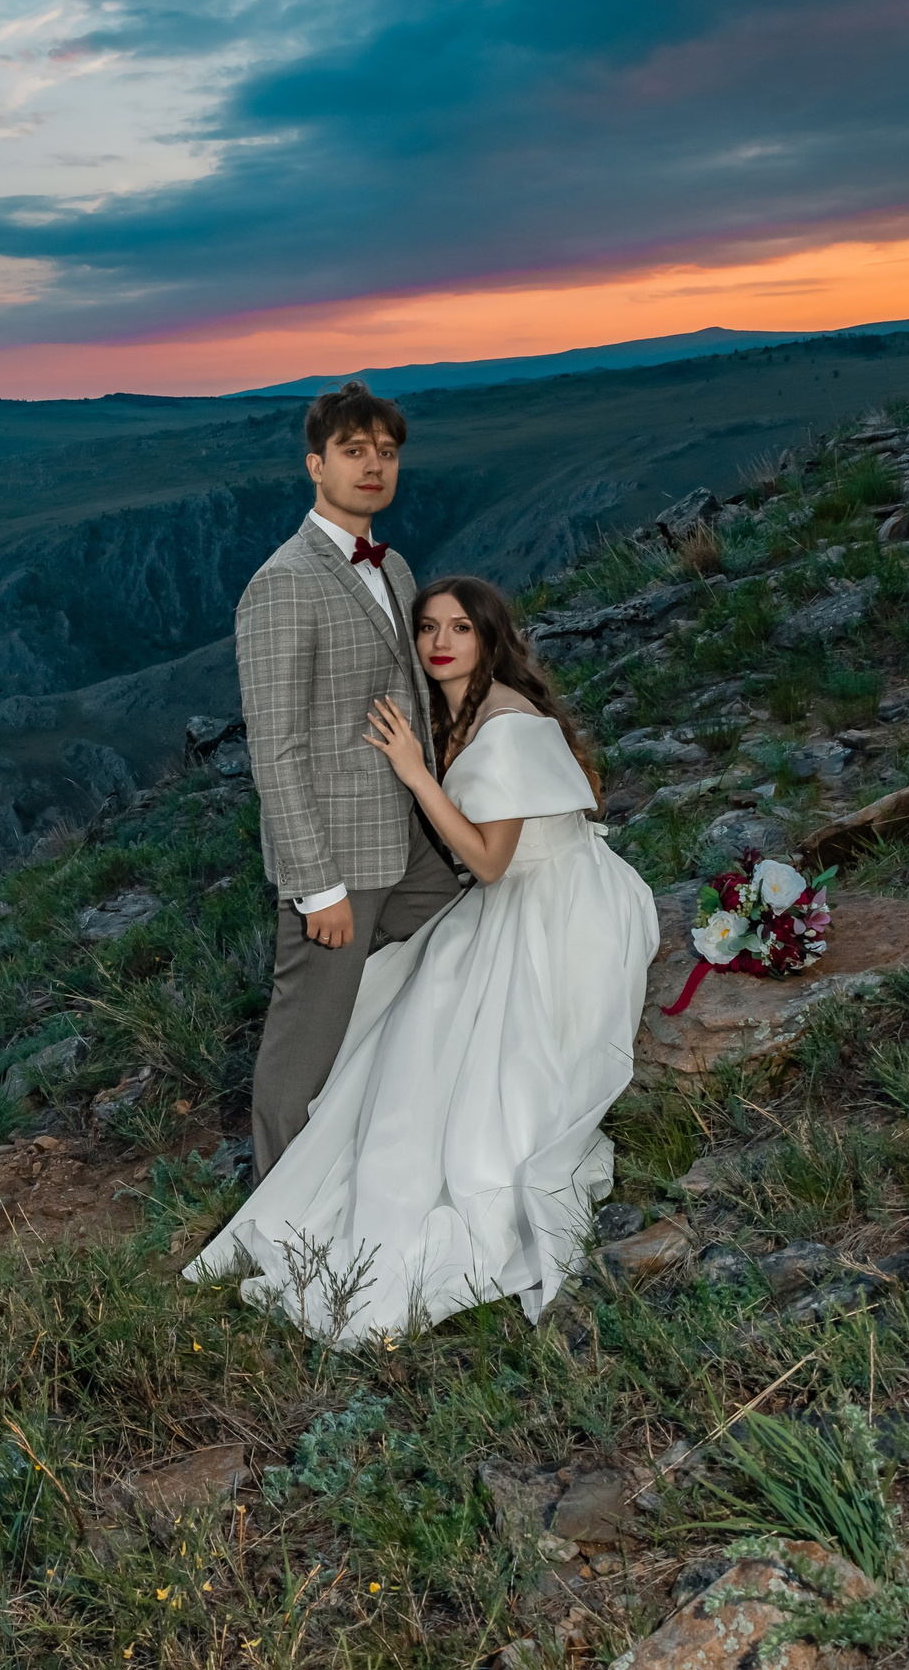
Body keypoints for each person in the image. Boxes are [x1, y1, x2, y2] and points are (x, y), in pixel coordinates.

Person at [191, 576, 658, 1347]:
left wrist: (413, 772)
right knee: (401, 1031)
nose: (441, 643)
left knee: (454, 1074)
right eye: (427, 629)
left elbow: (492, 862)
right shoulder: (455, 709)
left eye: (461, 630)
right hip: (515, 896)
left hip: (555, 907)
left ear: (490, 640)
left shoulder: (503, 723)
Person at [235, 381, 466, 1179]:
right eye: (353, 451)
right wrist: (315, 886)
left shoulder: (395, 567)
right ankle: (277, 1227)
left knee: (472, 947)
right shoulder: (284, 582)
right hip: (337, 861)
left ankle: (401, 1149)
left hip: (410, 839)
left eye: (387, 452)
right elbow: (275, 748)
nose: (373, 467)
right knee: (304, 1047)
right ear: (315, 465)